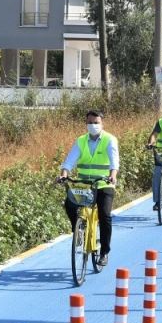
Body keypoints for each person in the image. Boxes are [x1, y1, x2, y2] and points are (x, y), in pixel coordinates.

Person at [58, 110, 119, 267]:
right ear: (86, 124)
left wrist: (113, 175)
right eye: (90, 122)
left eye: (96, 122)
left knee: (104, 215)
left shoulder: (109, 140)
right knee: (69, 204)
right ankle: (78, 230)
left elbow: (114, 162)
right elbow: (69, 161)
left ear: (102, 123)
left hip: (104, 184)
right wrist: (64, 173)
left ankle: (104, 252)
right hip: (84, 185)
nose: (93, 125)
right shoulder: (81, 141)